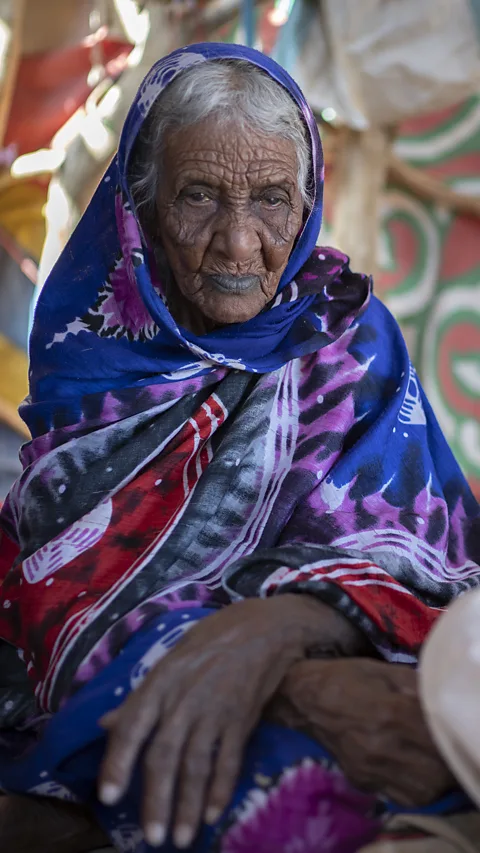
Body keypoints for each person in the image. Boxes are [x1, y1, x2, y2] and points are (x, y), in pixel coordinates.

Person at [0, 42, 478, 853]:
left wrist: (280, 630)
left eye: (270, 200)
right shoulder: (90, 370)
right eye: (198, 197)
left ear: (309, 202)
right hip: (130, 717)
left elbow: (432, 568)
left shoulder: (351, 343)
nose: (237, 244)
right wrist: (278, 679)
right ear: (139, 209)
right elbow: (54, 619)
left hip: (342, 677)